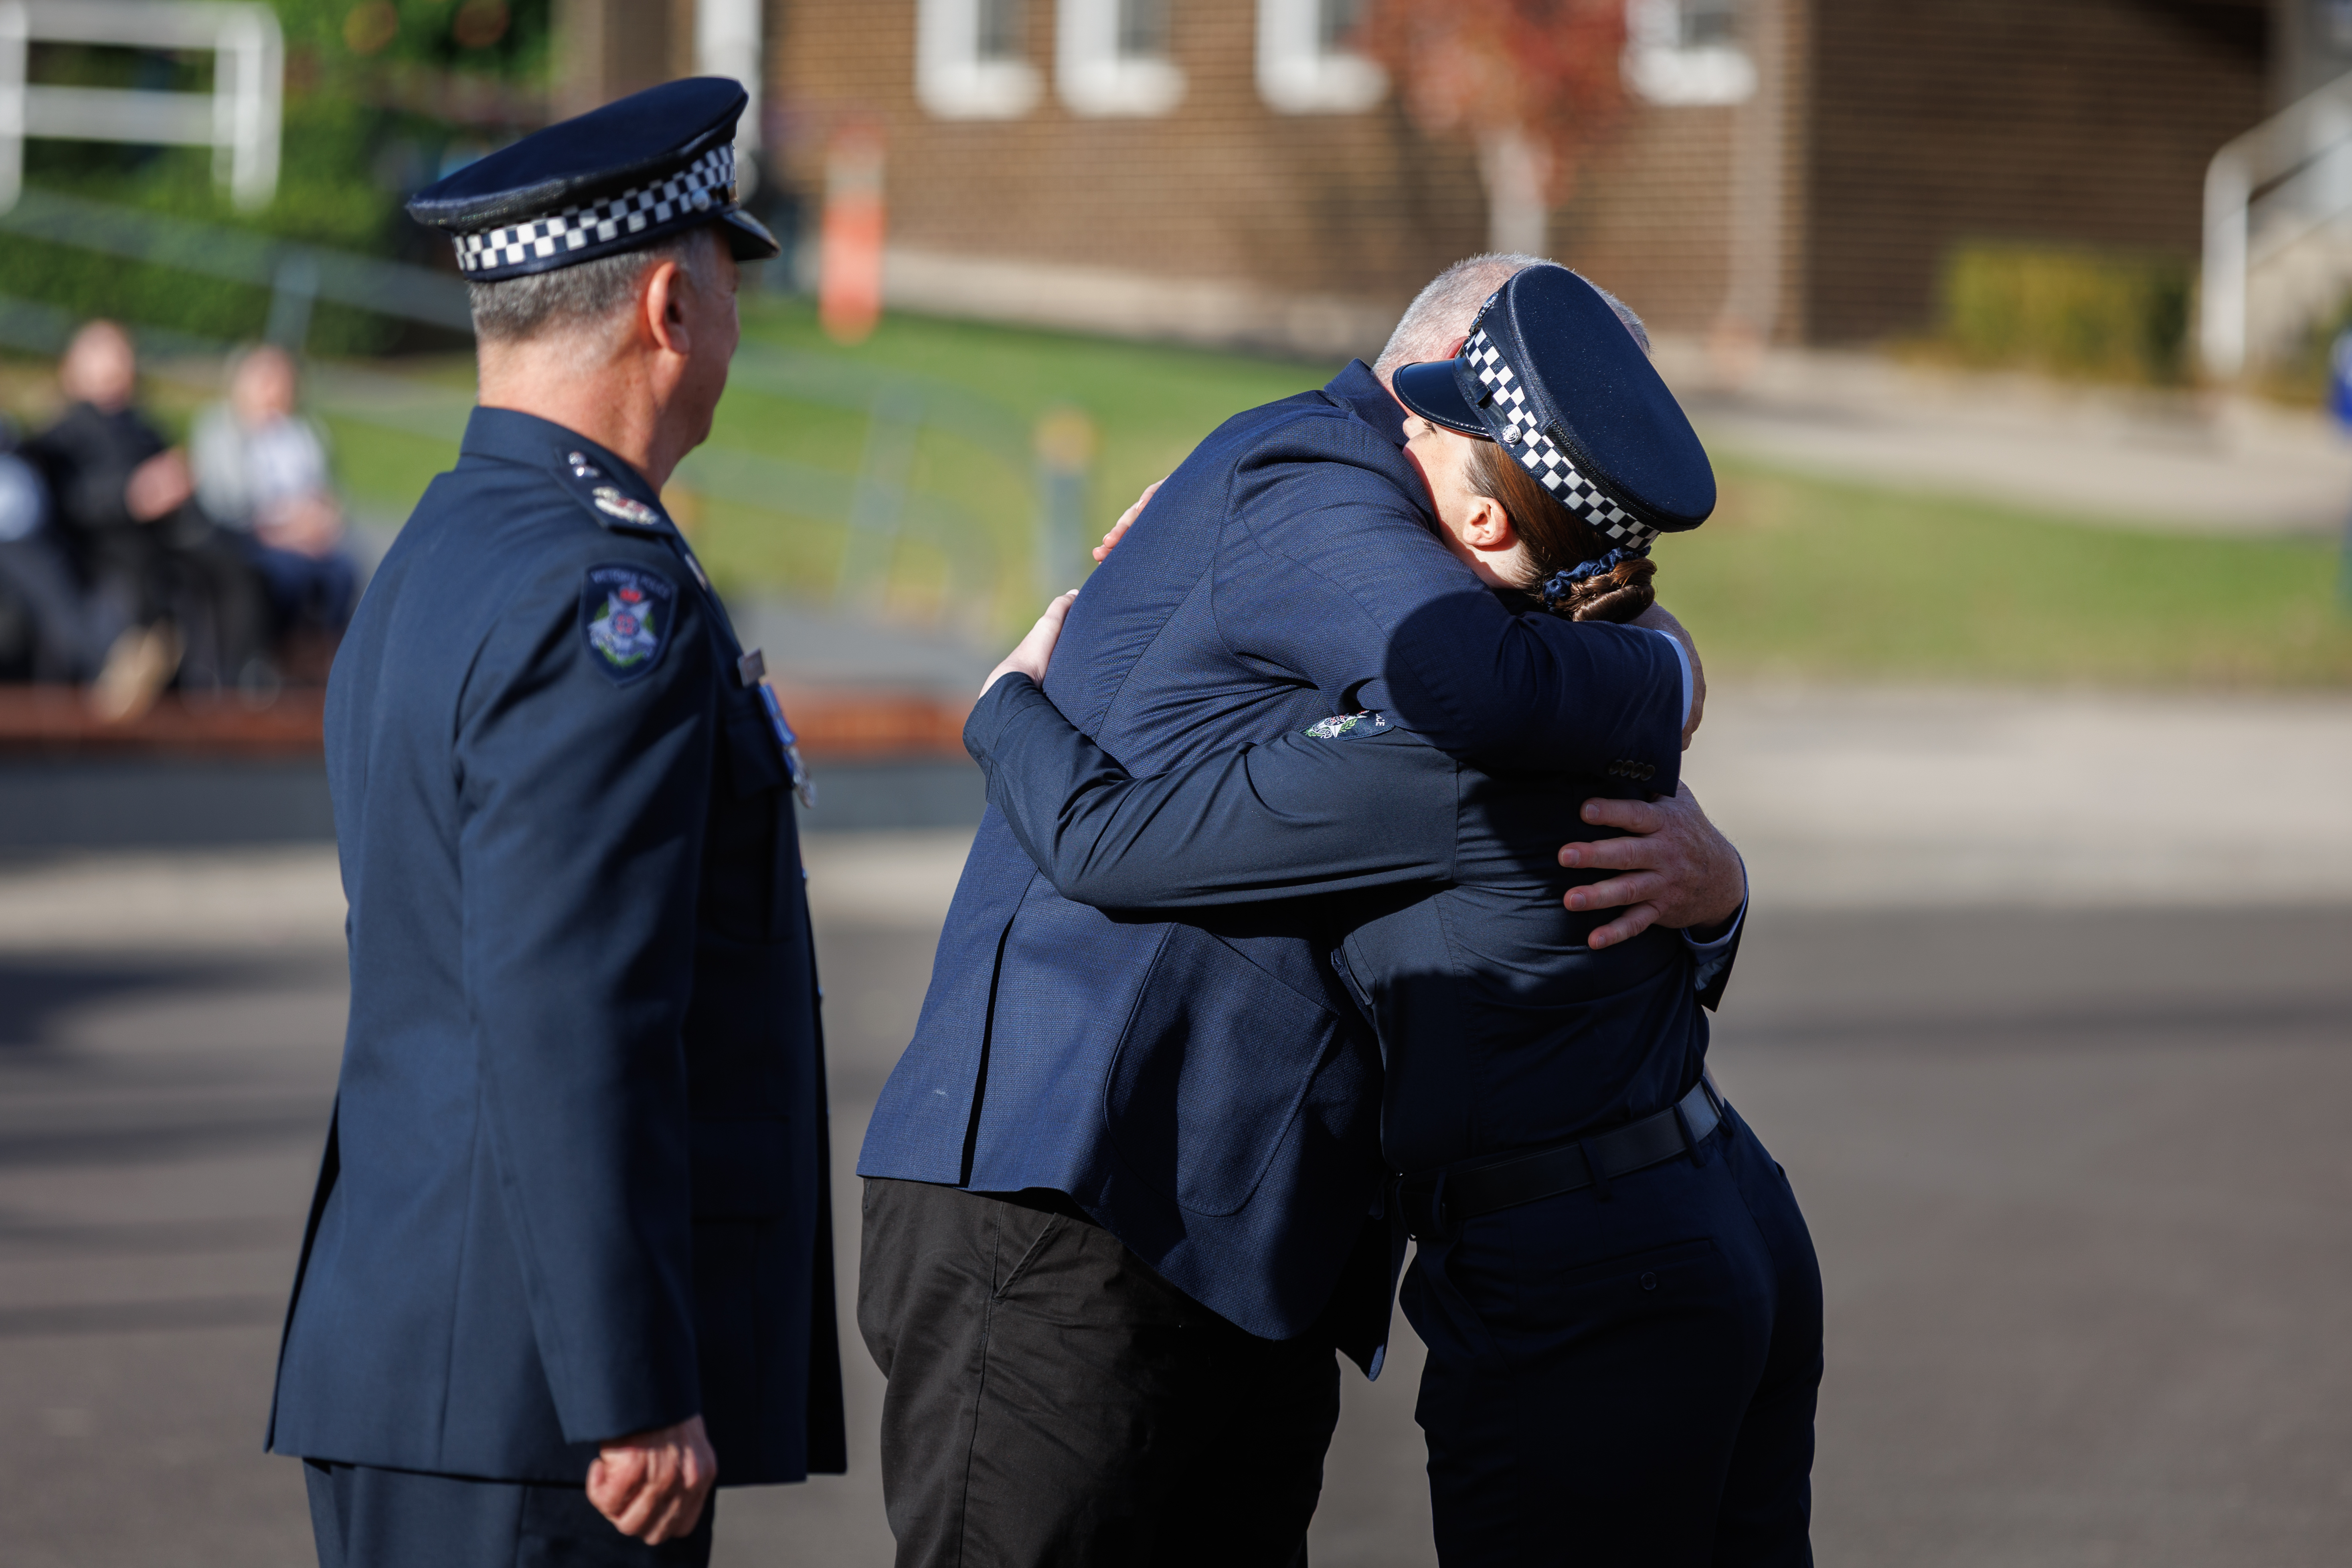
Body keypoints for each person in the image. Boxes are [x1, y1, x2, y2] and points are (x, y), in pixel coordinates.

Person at [856, 253, 1750, 1566]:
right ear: (1435, 394)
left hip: (1222, 1221)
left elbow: (1529, 815)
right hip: (1078, 1198)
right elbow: (1482, 687)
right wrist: (1665, 674)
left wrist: (1714, 885)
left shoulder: (1413, 526)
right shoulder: (1324, 479)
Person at [265, 78, 844, 1568]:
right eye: (730, 278)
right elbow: (569, 1004)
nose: (731, 318)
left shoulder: (443, 549)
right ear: (668, 302)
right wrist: (632, 1384)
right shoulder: (608, 600)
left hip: (433, 1363)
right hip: (544, 1415)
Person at [20, 320, 269, 714]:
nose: (116, 363)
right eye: (102, 352)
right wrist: (132, 496)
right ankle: (130, 674)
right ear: (72, 366)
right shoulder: (61, 434)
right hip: (106, 547)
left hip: (167, 539)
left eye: (121, 352)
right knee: (145, 582)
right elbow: (64, 501)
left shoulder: (144, 429)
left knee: (234, 564)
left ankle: (240, 686)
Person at [190, 344, 360, 656]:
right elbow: (227, 503)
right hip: (250, 541)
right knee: (285, 576)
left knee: (344, 572)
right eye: (265, 381)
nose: (274, 391)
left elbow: (330, 494)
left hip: (309, 541)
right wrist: (284, 530)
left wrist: (324, 521)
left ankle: (324, 659)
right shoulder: (222, 431)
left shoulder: (305, 434)